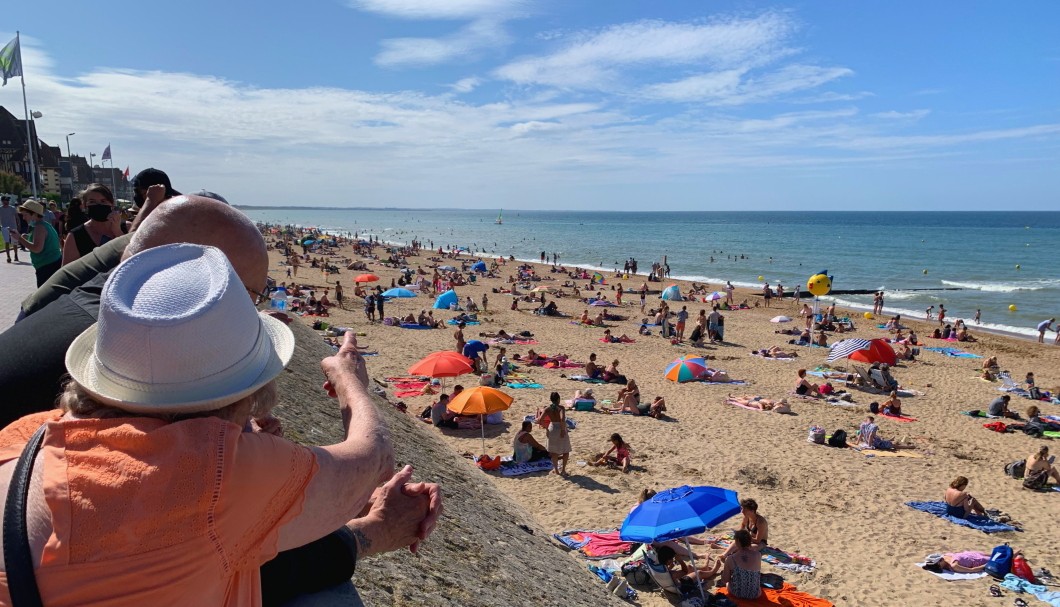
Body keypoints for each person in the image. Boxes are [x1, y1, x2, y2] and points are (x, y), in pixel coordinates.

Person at [0, 244, 440, 605]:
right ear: (246, 392)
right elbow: (376, 455)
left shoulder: (26, 435)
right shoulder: (217, 474)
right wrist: (350, 380)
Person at [62, 184, 125, 266]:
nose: (98, 205)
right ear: (85, 205)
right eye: (92, 202)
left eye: (103, 201)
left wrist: (118, 232)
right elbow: (66, 273)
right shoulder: (75, 236)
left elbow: (137, 257)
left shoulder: (127, 227)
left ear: (111, 203)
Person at [7, 199, 62, 286]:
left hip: (47, 267)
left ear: (35, 214)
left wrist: (20, 238)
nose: (24, 218)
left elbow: (37, 249)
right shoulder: (44, 225)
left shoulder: (39, 227)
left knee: (45, 297)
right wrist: (28, 237)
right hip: (52, 264)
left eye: (25, 215)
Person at [716, 530, 761, 600]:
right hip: (755, 594)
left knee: (728, 583)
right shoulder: (758, 555)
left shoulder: (731, 559)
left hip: (737, 593)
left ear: (737, 542)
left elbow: (725, 580)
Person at [536, 392, 570, 476]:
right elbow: (562, 419)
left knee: (554, 452)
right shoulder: (561, 408)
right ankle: (563, 470)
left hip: (552, 428)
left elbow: (540, 420)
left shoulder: (547, 409)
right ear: (558, 399)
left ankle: (556, 470)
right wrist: (562, 430)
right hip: (560, 428)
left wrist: (546, 428)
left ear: (551, 400)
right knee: (566, 450)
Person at [921, 552, 989, 574]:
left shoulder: (953, 564)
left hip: (974, 555)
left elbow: (973, 570)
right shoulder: (953, 565)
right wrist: (986, 565)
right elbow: (973, 570)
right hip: (979, 559)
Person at [0, 195, 19, 263]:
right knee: (7, 242)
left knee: (14, 242)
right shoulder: (0, 209)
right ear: (2, 201)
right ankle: (8, 256)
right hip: (4, 227)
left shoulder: (12, 208)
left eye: (8, 200)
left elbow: (17, 217)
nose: (7, 202)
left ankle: (16, 255)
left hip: (13, 227)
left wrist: (18, 225)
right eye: (5, 200)